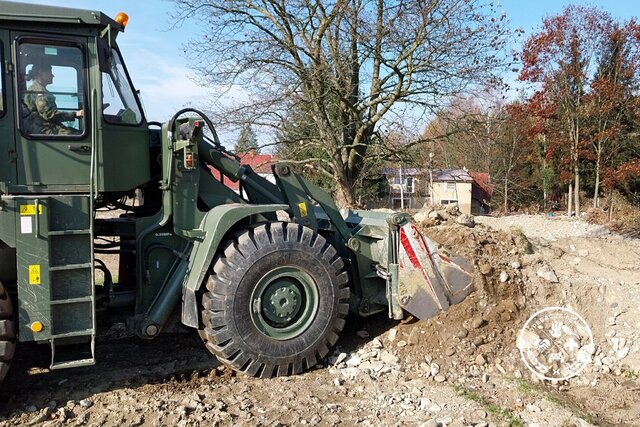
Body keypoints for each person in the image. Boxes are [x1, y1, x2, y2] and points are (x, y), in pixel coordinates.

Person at [23, 62, 83, 135]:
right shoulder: (39, 91)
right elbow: (49, 115)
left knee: (78, 132)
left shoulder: (37, 89)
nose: (53, 75)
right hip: (43, 129)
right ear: (40, 72)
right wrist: (75, 114)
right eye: (50, 72)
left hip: (47, 127)